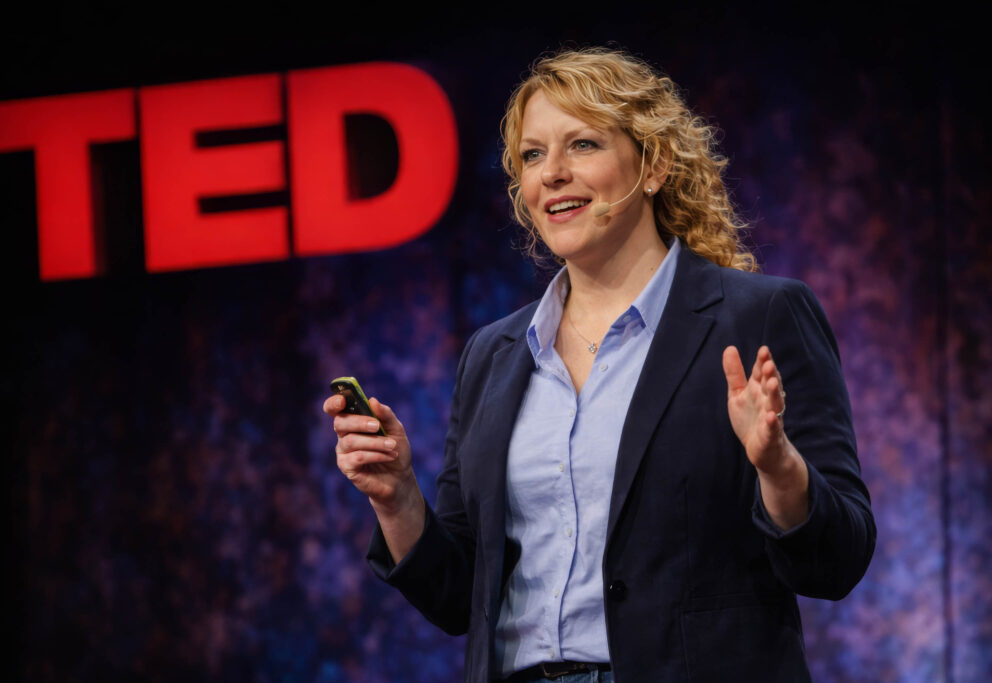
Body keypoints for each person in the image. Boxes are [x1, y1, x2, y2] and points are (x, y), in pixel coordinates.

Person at [324, 47, 875, 683]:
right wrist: (397, 498)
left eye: (582, 145)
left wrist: (779, 469)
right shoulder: (493, 355)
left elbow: (839, 561)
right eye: (533, 155)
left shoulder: (759, 318)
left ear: (654, 164)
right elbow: (457, 599)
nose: (552, 174)